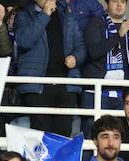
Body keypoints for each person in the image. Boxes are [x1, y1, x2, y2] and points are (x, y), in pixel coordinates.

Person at [14, 0, 86, 136]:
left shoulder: (66, 15)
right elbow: (24, 40)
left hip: (66, 84)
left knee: (64, 134)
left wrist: (76, 58)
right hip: (38, 86)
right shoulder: (24, 15)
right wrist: (45, 14)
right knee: (40, 135)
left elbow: (81, 46)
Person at [81, 0, 129, 117]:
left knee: (123, 134)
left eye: (122, 2)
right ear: (106, 4)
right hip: (98, 93)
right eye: (115, 1)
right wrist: (118, 35)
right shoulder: (95, 24)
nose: (119, 5)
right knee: (94, 133)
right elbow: (94, 52)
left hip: (126, 95)